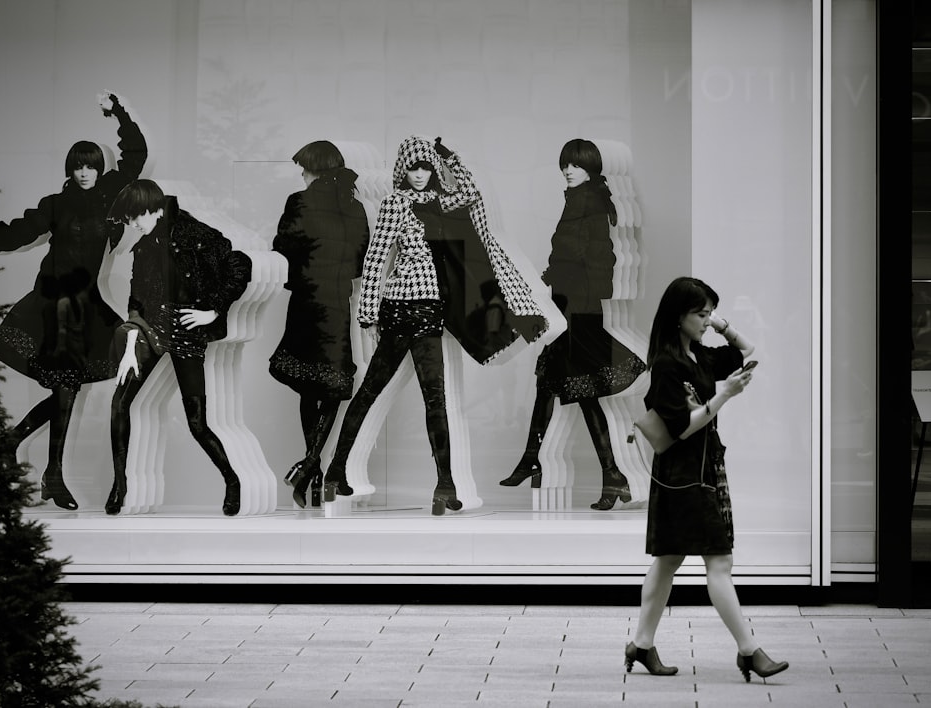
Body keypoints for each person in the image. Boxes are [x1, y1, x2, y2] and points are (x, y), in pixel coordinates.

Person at [297, 135, 546, 515]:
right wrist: (368, 314)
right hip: (400, 309)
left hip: (430, 311)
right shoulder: (395, 203)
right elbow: (377, 257)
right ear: (403, 170)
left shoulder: (441, 202)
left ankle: (444, 484)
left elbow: (471, 193)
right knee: (369, 393)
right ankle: (336, 471)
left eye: (426, 167)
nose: (419, 174)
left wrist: (450, 158)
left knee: (435, 399)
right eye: (413, 167)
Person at [0, 92, 147, 510]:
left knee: (68, 389)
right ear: (69, 169)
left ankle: (25, 451)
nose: (84, 173)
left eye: (90, 166)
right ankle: (50, 471)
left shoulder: (110, 194)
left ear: (99, 169)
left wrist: (118, 112)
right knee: (66, 388)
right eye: (77, 166)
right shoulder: (55, 205)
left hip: (86, 304)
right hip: (53, 304)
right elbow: (15, 233)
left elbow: (136, 153)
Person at [624, 276, 788, 682]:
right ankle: (749, 651)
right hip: (683, 475)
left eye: (709, 313)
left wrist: (721, 326)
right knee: (718, 560)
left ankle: (641, 644)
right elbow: (681, 428)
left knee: (669, 560)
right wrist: (723, 395)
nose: (706, 320)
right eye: (700, 314)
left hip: (700, 470)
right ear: (678, 317)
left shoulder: (697, 354)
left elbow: (747, 351)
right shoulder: (667, 365)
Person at [499, 138, 646, 510]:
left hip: (576, 309)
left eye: (576, 164)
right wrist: (550, 281)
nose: (568, 170)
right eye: (565, 164)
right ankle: (538, 459)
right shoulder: (585, 199)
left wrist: (555, 282)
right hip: (572, 305)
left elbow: (586, 256)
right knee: (550, 382)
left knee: (581, 391)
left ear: (590, 168)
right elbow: (579, 256)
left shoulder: (586, 201)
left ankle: (609, 474)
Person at [105, 179, 252, 516]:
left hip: (186, 331)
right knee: (119, 402)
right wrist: (131, 345)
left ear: (152, 209)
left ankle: (232, 480)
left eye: (133, 217)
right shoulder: (143, 247)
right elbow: (136, 301)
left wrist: (213, 310)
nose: (132, 225)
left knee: (196, 424)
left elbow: (239, 265)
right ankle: (120, 483)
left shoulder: (194, 233)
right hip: (152, 330)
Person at [268, 141, 370, 508]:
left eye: (304, 168)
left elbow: (283, 248)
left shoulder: (299, 202)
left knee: (308, 385)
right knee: (331, 383)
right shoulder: (354, 206)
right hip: (337, 301)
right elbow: (360, 259)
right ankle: (311, 468)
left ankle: (310, 469)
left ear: (315, 169)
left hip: (306, 300)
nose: (302, 174)